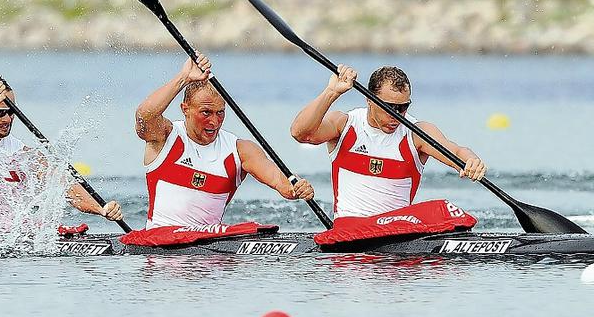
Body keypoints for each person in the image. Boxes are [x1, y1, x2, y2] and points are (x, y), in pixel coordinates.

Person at [134, 54, 314, 229]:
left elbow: (277, 178)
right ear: (185, 109)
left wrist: (295, 187)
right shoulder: (165, 136)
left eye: (220, 113)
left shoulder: (240, 150)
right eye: (206, 112)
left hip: (210, 248)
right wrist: (183, 78)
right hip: (159, 245)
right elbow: (144, 116)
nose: (214, 121)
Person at [289, 65, 486, 219]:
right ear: (369, 100)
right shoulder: (344, 124)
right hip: (349, 235)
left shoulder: (417, 133)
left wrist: (472, 161)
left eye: (403, 107)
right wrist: (332, 92)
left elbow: (457, 152)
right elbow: (301, 133)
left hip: (397, 234)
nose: (397, 116)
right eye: (390, 107)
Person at [0, 74, 123, 233]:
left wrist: (101, 209)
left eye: (11, 111)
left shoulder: (20, 153)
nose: (7, 118)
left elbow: (62, 183)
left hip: (7, 247)